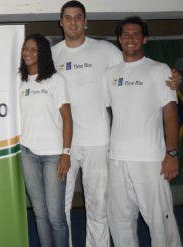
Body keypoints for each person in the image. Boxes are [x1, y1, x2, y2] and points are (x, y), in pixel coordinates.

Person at [51, 1, 181, 246]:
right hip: (65, 145)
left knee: (100, 209)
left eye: (78, 17)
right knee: (65, 209)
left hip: (101, 143)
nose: (73, 22)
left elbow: (137, 67)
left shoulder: (107, 51)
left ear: (85, 21)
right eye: (68, 18)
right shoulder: (54, 54)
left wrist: (173, 77)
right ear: (61, 22)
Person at [104, 16, 182, 247]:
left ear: (145, 39)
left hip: (151, 160)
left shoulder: (159, 69)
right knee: (120, 221)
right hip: (117, 158)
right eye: (125, 34)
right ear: (119, 39)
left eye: (136, 34)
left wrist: (172, 154)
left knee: (161, 222)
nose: (130, 39)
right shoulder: (109, 74)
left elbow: (170, 114)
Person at [19, 33, 73, 247]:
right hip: (27, 153)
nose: (28, 53)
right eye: (25, 48)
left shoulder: (55, 79)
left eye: (34, 50)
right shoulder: (19, 81)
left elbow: (67, 119)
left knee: (56, 216)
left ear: (43, 54)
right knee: (39, 214)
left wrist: (66, 154)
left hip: (53, 156)